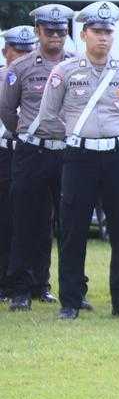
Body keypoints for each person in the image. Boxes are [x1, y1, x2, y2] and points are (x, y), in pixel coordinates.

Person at [37, 1, 119, 320]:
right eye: (97, 31)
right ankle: (70, 302)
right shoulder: (64, 72)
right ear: (84, 34)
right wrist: (75, 134)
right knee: (72, 230)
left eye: (108, 31)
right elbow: (47, 117)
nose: (103, 37)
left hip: (117, 158)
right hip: (78, 158)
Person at [1, 3, 78, 311]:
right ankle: (19, 289)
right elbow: (7, 110)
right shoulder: (19, 69)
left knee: (65, 224)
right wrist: (25, 136)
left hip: (68, 153)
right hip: (31, 152)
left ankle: (50, 287)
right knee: (24, 221)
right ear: (38, 33)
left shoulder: (77, 65)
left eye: (61, 31)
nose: (56, 37)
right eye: (50, 31)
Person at [0, 25, 37, 300]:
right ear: (5, 52)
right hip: (4, 152)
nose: (24, 55)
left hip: (31, 151)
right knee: (5, 221)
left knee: (38, 222)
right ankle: (4, 284)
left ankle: (39, 284)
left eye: (28, 50)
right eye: (18, 50)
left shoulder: (41, 76)